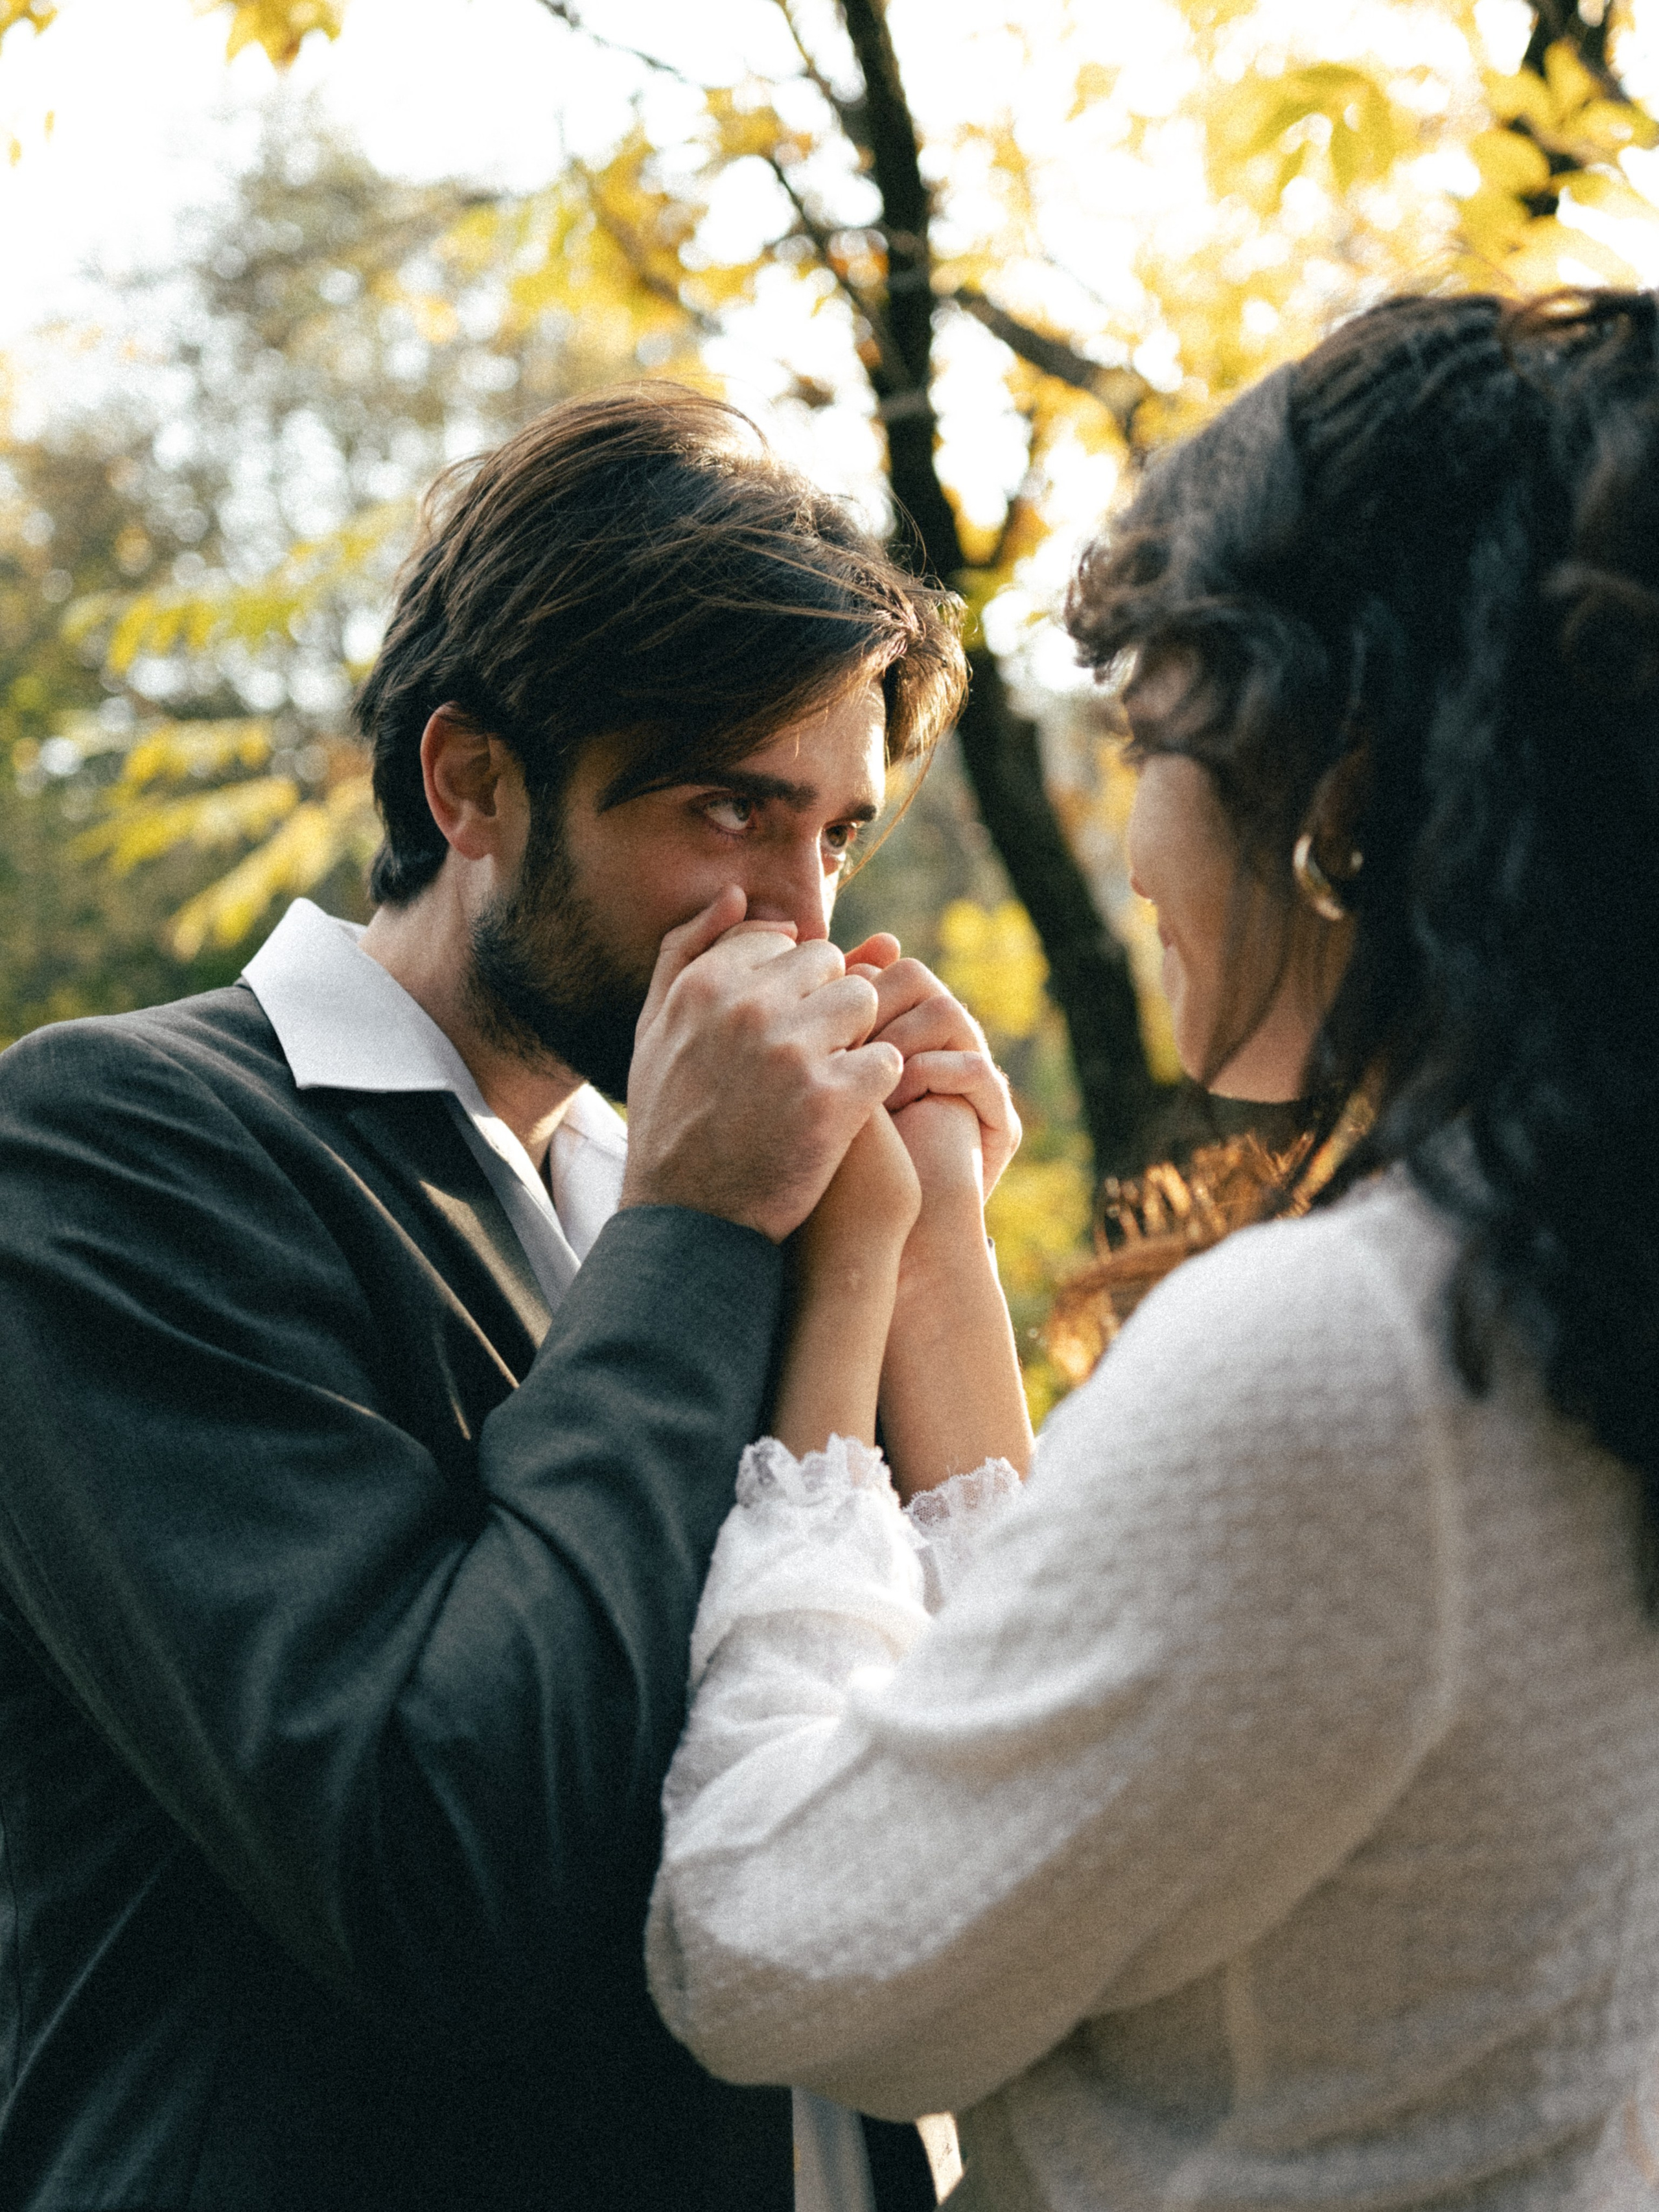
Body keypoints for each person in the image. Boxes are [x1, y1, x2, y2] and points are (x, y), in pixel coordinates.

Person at [647, 290, 1659, 2212]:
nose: (1126, 855)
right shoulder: (1575, 1285)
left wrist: (837, 1321)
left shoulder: (1365, 1354)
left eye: (1153, 747)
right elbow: (1157, 1729)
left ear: (1334, 794)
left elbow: (769, 1947)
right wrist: (943, 1245)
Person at [0, 384, 1019, 2212]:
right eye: (729, 812)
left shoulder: (710, 1218)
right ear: (470, 782)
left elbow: (974, 1802)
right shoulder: (119, 1146)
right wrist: (701, 1233)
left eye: (840, 838)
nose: (797, 919)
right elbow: (438, 1864)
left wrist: (928, 1245)